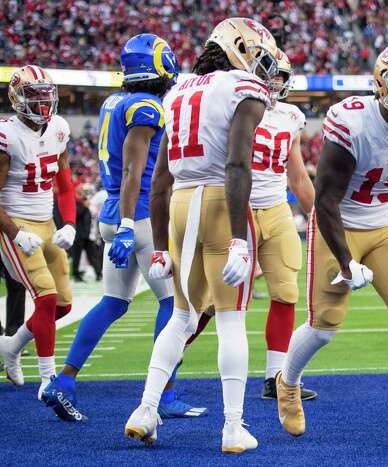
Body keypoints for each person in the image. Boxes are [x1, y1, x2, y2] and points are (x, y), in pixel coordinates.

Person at [275, 41, 388, 453]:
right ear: (382, 85)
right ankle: (288, 382)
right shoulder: (350, 121)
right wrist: (345, 261)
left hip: (387, 222)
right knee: (323, 329)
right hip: (341, 224)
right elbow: (325, 200)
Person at [123, 18, 279, 453]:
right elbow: (236, 165)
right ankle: (233, 427)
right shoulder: (242, 89)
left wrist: (158, 248)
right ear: (237, 48)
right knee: (231, 319)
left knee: (181, 315)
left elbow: (159, 181)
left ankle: (145, 408)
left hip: (179, 205)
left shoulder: (178, 92)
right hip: (218, 201)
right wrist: (240, 239)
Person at [42, 34, 202, 421]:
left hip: (113, 211)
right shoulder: (147, 106)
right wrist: (131, 225)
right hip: (139, 215)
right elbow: (134, 171)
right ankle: (163, 393)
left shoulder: (116, 101)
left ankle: (63, 381)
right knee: (176, 305)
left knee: (113, 302)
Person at [183, 51, 318, 401]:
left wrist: (319, 220)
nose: (274, 82)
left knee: (287, 289)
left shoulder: (291, 116)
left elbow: (298, 176)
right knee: (212, 302)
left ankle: (277, 378)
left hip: (276, 209)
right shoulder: (233, 104)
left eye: (280, 76)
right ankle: (168, 364)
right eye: (268, 74)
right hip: (235, 210)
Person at [0, 65, 77, 399]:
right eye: (35, 95)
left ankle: (10, 346)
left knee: (62, 306)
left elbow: (63, 184)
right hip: (14, 224)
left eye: (47, 93)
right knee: (44, 298)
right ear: (18, 98)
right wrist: (15, 233)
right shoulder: (7, 135)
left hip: (46, 223)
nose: (44, 101)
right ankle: (48, 379)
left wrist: (70, 223)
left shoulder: (59, 128)